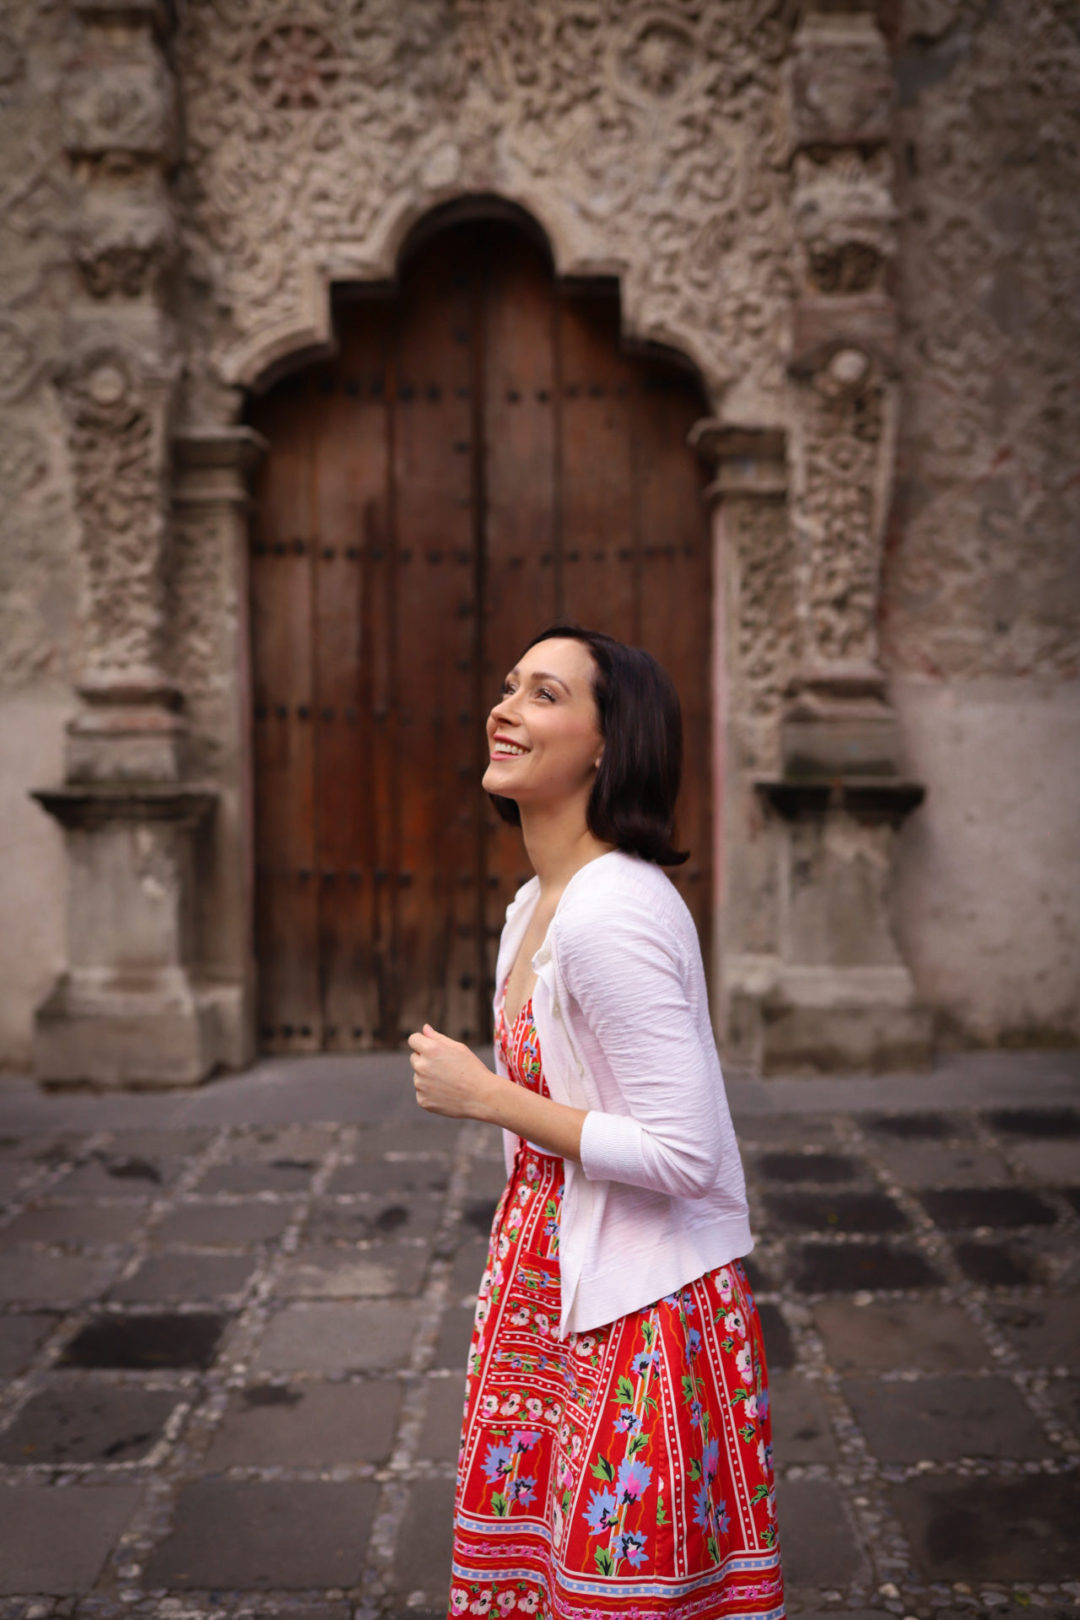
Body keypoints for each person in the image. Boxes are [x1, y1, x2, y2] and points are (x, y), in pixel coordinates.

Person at [408, 626, 783, 1619]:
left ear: (608, 743)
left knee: (621, 1590)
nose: (504, 708)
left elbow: (686, 1152)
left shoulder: (611, 909)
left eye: (543, 693)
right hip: (549, 1286)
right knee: (542, 1576)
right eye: (506, 688)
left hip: (640, 1310)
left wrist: (489, 1096)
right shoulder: (536, 900)